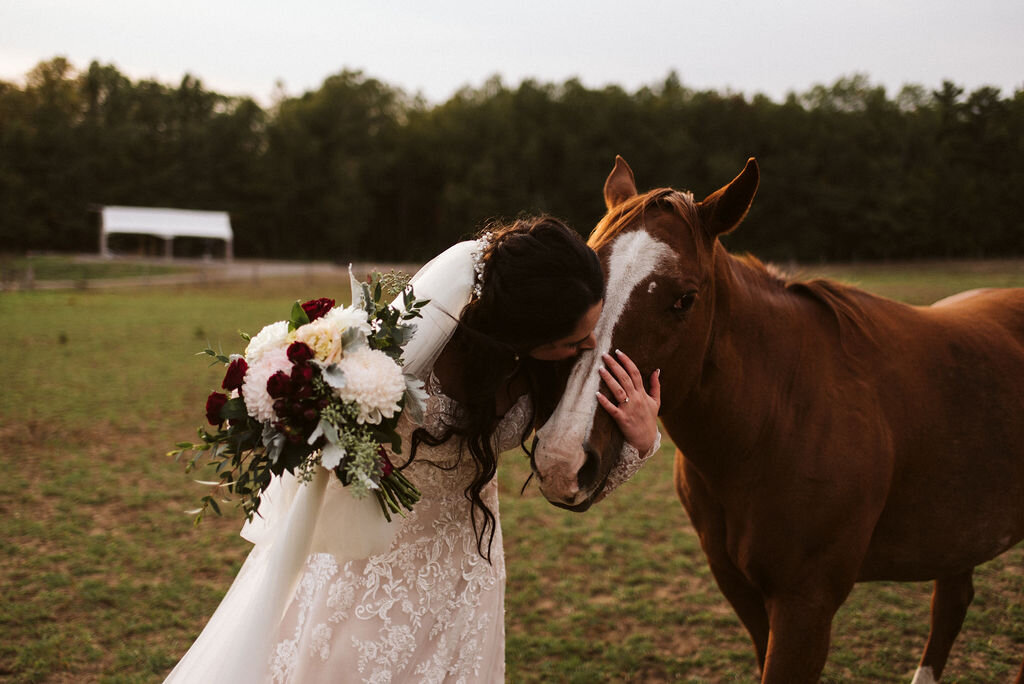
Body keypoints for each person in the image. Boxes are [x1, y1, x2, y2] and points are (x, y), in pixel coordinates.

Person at [165, 216, 661, 683]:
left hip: (468, 569)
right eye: (571, 339)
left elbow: (564, 480)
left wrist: (642, 442)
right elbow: (330, 437)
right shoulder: (392, 360)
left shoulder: (546, 369)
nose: (589, 343)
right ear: (523, 333)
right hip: (368, 562)